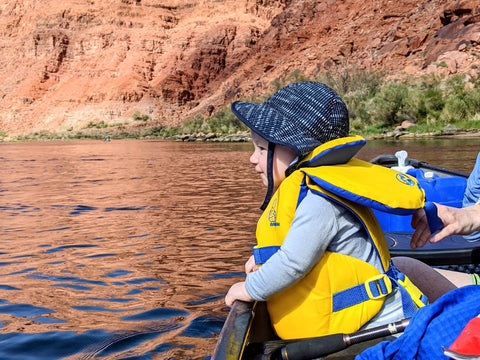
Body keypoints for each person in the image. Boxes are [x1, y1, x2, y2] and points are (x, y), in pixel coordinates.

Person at [224, 81, 427, 340]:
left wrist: (249, 289)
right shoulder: (315, 190)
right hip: (364, 325)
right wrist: (266, 259)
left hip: (381, 329)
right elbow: (303, 250)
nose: (252, 159)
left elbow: (294, 262)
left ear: (298, 151)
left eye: (262, 149)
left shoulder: (320, 201)